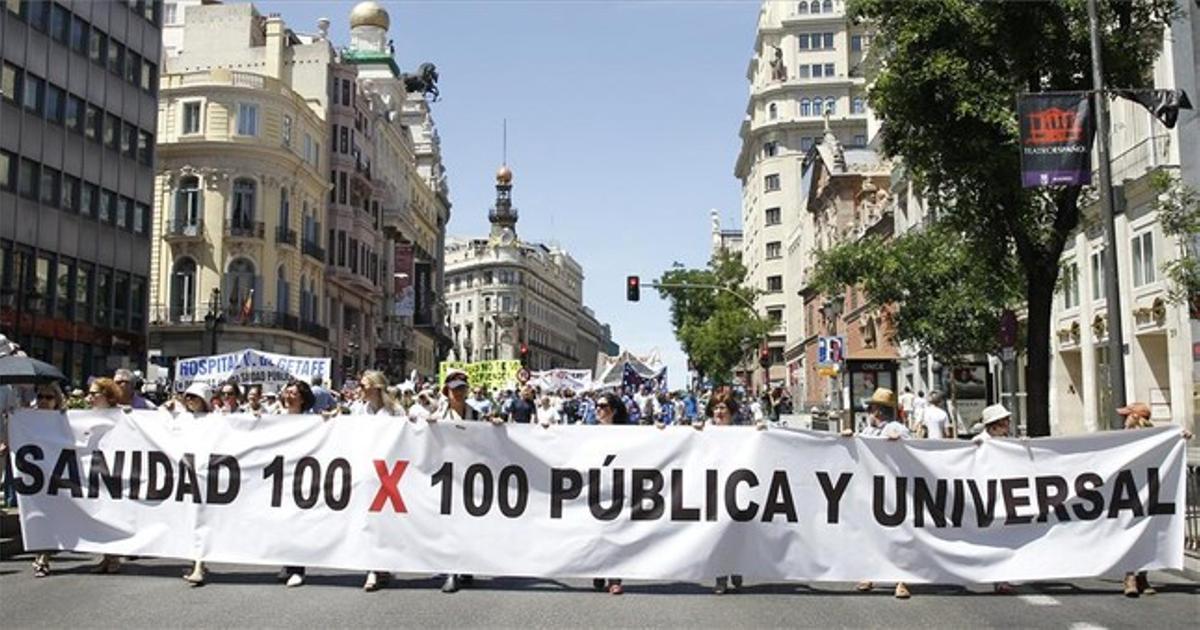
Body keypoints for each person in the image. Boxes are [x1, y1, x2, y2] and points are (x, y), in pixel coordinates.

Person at [696, 393, 764, 593]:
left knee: (735, 530)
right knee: (717, 531)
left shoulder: (743, 433)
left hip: (737, 489)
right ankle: (720, 577)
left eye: (723, 408)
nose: (719, 412)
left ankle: (736, 567)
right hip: (712, 489)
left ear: (732, 412)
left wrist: (761, 430)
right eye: (716, 408)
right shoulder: (704, 431)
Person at [852, 387, 912, 599]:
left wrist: (898, 441)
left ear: (877, 411)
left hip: (894, 489)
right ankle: (869, 574)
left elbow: (910, 449)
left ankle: (901, 580)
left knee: (897, 535)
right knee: (872, 533)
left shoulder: (896, 428)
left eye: (871, 409)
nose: (868, 413)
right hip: (873, 488)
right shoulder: (868, 431)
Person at [346, 370, 404, 591]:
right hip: (365, 472)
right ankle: (372, 568)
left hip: (390, 474)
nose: (359, 389)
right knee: (368, 519)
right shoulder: (358, 410)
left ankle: (382, 565)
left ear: (376, 388)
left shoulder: (395, 411)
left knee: (384, 521)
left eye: (363, 385)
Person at [431, 369, 484, 593]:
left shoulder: (476, 415)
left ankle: (467, 564)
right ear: (447, 392)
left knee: (468, 523)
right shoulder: (438, 416)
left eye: (462, 389)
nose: (459, 393)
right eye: (454, 390)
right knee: (449, 523)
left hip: (471, 476)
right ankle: (451, 570)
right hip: (446, 476)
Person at [972, 404, 1017, 594]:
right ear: (994, 425)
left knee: (1005, 536)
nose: (1008, 424)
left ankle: (1001, 578)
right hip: (984, 495)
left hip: (1004, 494)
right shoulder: (978, 442)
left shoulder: (1008, 441)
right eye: (1004, 421)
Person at [276, 380, 316, 587]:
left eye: (293, 393)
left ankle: (297, 567)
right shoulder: (273, 419)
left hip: (302, 478)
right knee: (281, 522)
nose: (288, 396)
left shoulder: (311, 421)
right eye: (287, 392)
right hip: (278, 476)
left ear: (302, 398)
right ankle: (286, 561)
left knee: (298, 522)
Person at [589, 392, 630, 595]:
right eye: (597, 406)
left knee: (616, 532)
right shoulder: (586, 432)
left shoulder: (627, 434)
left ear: (613, 410)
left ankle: (615, 577)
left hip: (618, 489)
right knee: (597, 532)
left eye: (603, 406)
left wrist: (659, 429)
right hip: (594, 489)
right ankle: (598, 570)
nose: (598, 409)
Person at [175, 384, 215, 586]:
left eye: (194, 397)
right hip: (185, 476)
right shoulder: (181, 418)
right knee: (190, 519)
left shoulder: (216, 420)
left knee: (201, 518)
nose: (189, 400)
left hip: (206, 477)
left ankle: (199, 566)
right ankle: (197, 563)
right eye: (187, 396)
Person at [87, 377, 126, 575]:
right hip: (95, 470)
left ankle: (114, 557)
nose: (90, 397)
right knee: (99, 514)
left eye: (95, 393)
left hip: (116, 472)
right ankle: (107, 556)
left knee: (113, 514)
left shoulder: (122, 414)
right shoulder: (85, 416)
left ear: (108, 396)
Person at [28, 382, 66, 578]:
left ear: (57, 401)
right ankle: (41, 559)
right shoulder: (27, 417)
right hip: (36, 479)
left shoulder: (66, 420)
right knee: (39, 516)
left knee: (53, 517)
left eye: (49, 397)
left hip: (60, 479)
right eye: (40, 396)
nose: (43, 401)